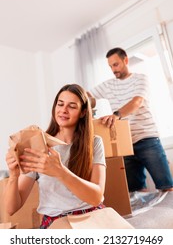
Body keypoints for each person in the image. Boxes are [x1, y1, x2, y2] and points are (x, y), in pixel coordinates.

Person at [4, 84, 106, 229]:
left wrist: (60, 171)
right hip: (56, 221)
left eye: (72, 106)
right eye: (60, 104)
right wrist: (13, 176)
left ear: (83, 112)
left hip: (91, 215)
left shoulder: (94, 143)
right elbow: (11, 209)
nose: (64, 110)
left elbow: (96, 198)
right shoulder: (38, 144)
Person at [87, 47, 173, 192]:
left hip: (147, 139)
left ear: (125, 60)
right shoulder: (108, 85)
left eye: (116, 64)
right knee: (136, 193)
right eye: (110, 66)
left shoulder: (140, 78)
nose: (113, 70)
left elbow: (136, 102)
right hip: (125, 144)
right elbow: (86, 94)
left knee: (167, 187)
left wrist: (115, 115)